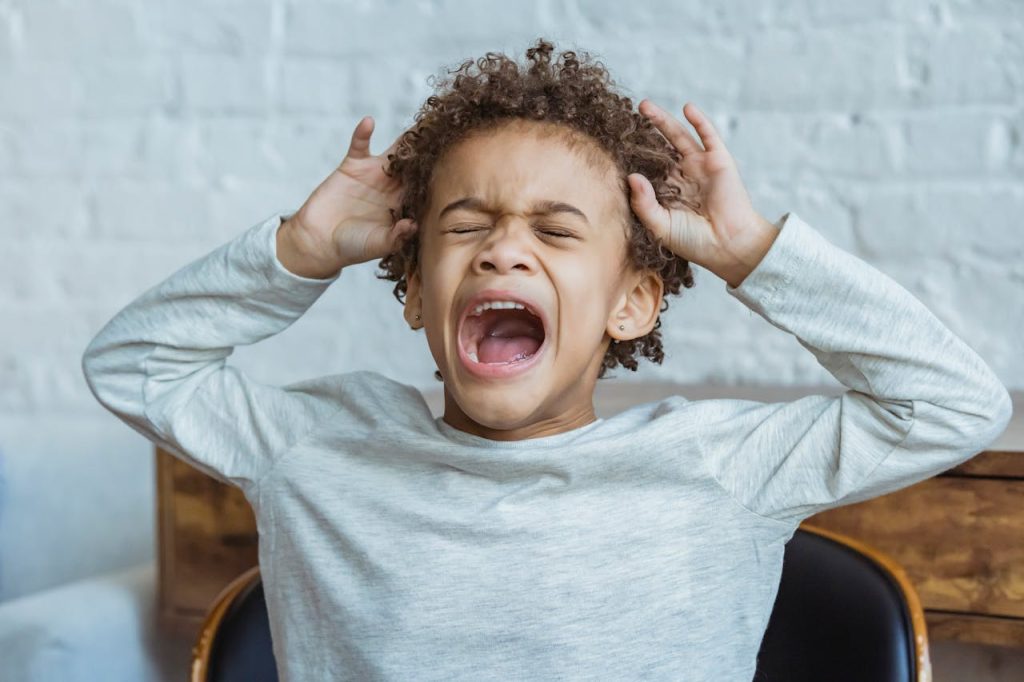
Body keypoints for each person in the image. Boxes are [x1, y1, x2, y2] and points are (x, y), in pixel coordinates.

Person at [82, 38, 1012, 681]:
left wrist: (755, 252)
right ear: (412, 289)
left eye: (556, 230)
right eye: (466, 225)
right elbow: (131, 366)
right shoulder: (316, 445)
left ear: (630, 303)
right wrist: (298, 248)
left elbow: (952, 404)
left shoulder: (723, 470)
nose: (503, 250)